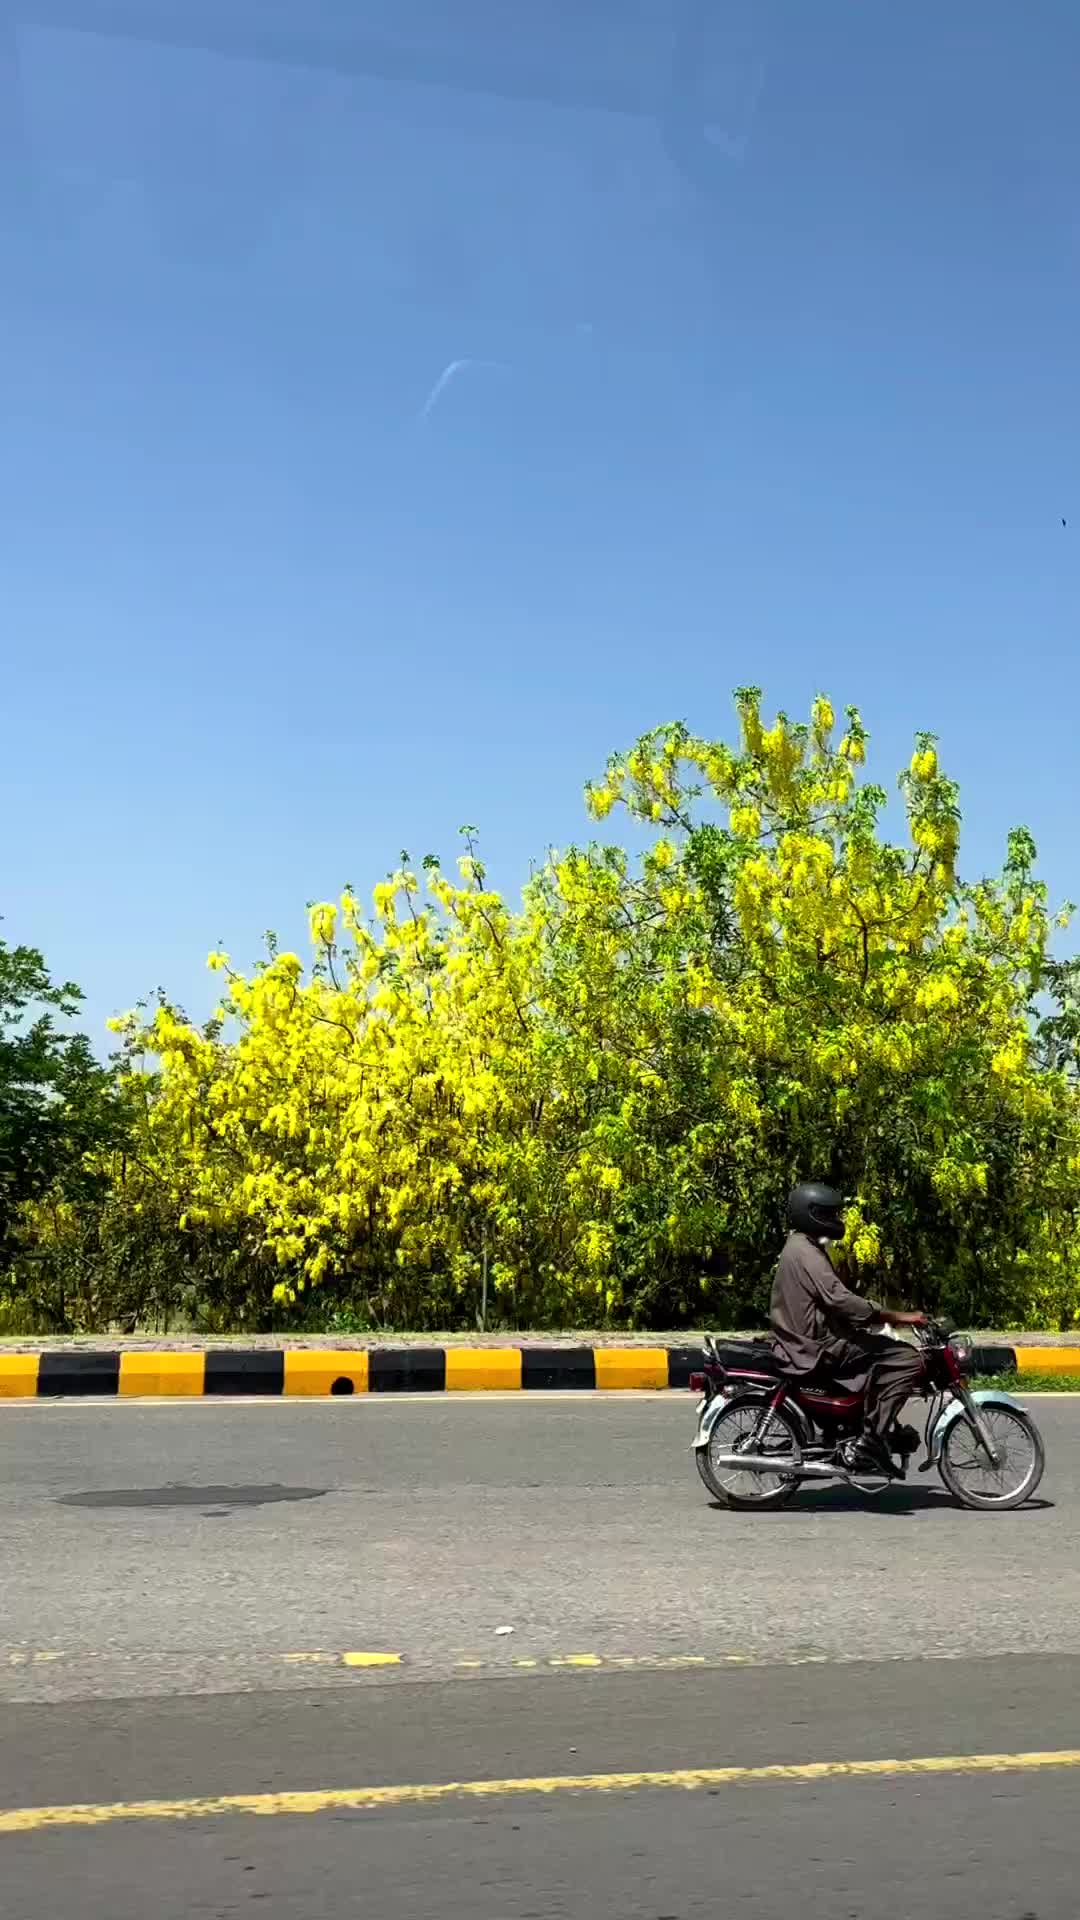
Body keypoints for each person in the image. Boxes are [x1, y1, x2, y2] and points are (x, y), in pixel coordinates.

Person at [769, 1181, 927, 1475]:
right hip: (815, 1346)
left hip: (808, 1339)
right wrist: (895, 1317)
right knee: (907, 1358)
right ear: (811, 1214)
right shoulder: (805, 1252)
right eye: (829, 1215)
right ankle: (873, 1439)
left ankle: (858, 1427)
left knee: (875, 1350)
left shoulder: (801, 1246)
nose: (836, 1221)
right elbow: (838, 1299)